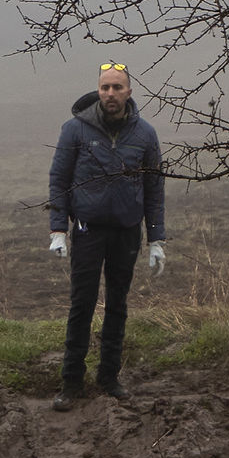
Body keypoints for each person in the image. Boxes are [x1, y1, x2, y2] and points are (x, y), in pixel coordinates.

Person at [46, 60, 166, 407]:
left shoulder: (145, 134)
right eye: (105, 87)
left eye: (117, 87)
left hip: (127, 233)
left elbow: (154, 188)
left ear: (129, 91)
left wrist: (156, 238)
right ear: (98, 91)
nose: (110, 94)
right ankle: (71, 382)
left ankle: (109, 377)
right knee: (81, 305)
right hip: (87, 230)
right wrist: (58, 229)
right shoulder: (75, 131)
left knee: (117, 305)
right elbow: (59, 180)